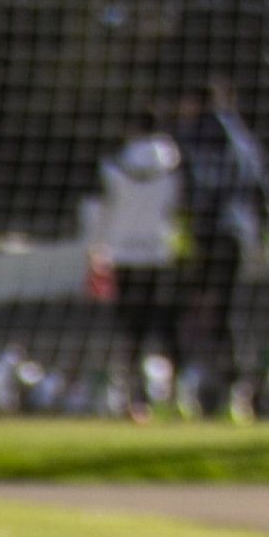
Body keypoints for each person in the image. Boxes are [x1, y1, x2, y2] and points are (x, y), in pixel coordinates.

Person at [173, 79, 269, 416]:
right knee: (224, 308)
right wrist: (262, 237)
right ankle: (233, 387)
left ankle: (200, 384)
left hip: (207, 232)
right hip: (237, 234)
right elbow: (263, 188)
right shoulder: (244, 138)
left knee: (200, 308)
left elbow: (190, 184)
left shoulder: (194, 137)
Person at [82, 106, 186, 412]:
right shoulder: (175, 167)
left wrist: (95, 248)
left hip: (124, 254)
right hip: (161, 253)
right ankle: (179, 393)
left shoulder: (113, 166)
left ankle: (135, 396)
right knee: (167, 326)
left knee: (131, 329)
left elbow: (97, 210)